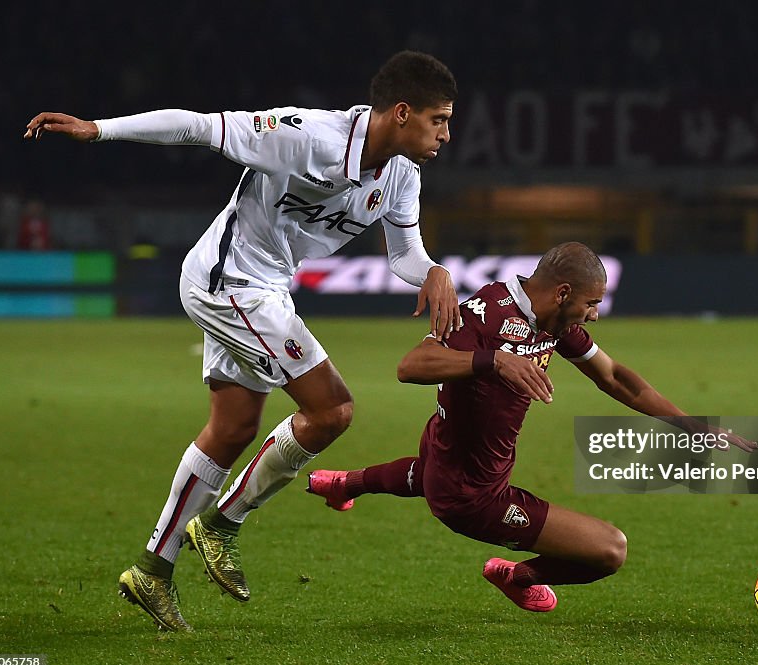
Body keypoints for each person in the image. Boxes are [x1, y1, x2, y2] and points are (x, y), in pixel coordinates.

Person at [24, 50, 461, 631]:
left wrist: (432, 269)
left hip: (267, 289)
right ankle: (224, 522)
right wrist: (98, 129)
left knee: (232, 429)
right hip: (227, 280)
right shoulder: (308, 136)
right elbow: (199, 126)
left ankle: (153, 569)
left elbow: (405, 253)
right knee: (332, 410)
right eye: (439, 120)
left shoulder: (403, 173)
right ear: (402, 112)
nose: (446, 135)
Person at [307, 242, 758, 612]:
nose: (595, 314)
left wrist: (693, 426)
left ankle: (345, 484)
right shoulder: (484, 315)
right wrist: (494, 360)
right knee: (609, 550)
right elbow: (411, 366)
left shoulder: (550, 323)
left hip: (445, 455)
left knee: (430, 470)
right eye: (592, 303)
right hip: (474, 497)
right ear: (563, 293)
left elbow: (614, 376)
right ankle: (517, 575)